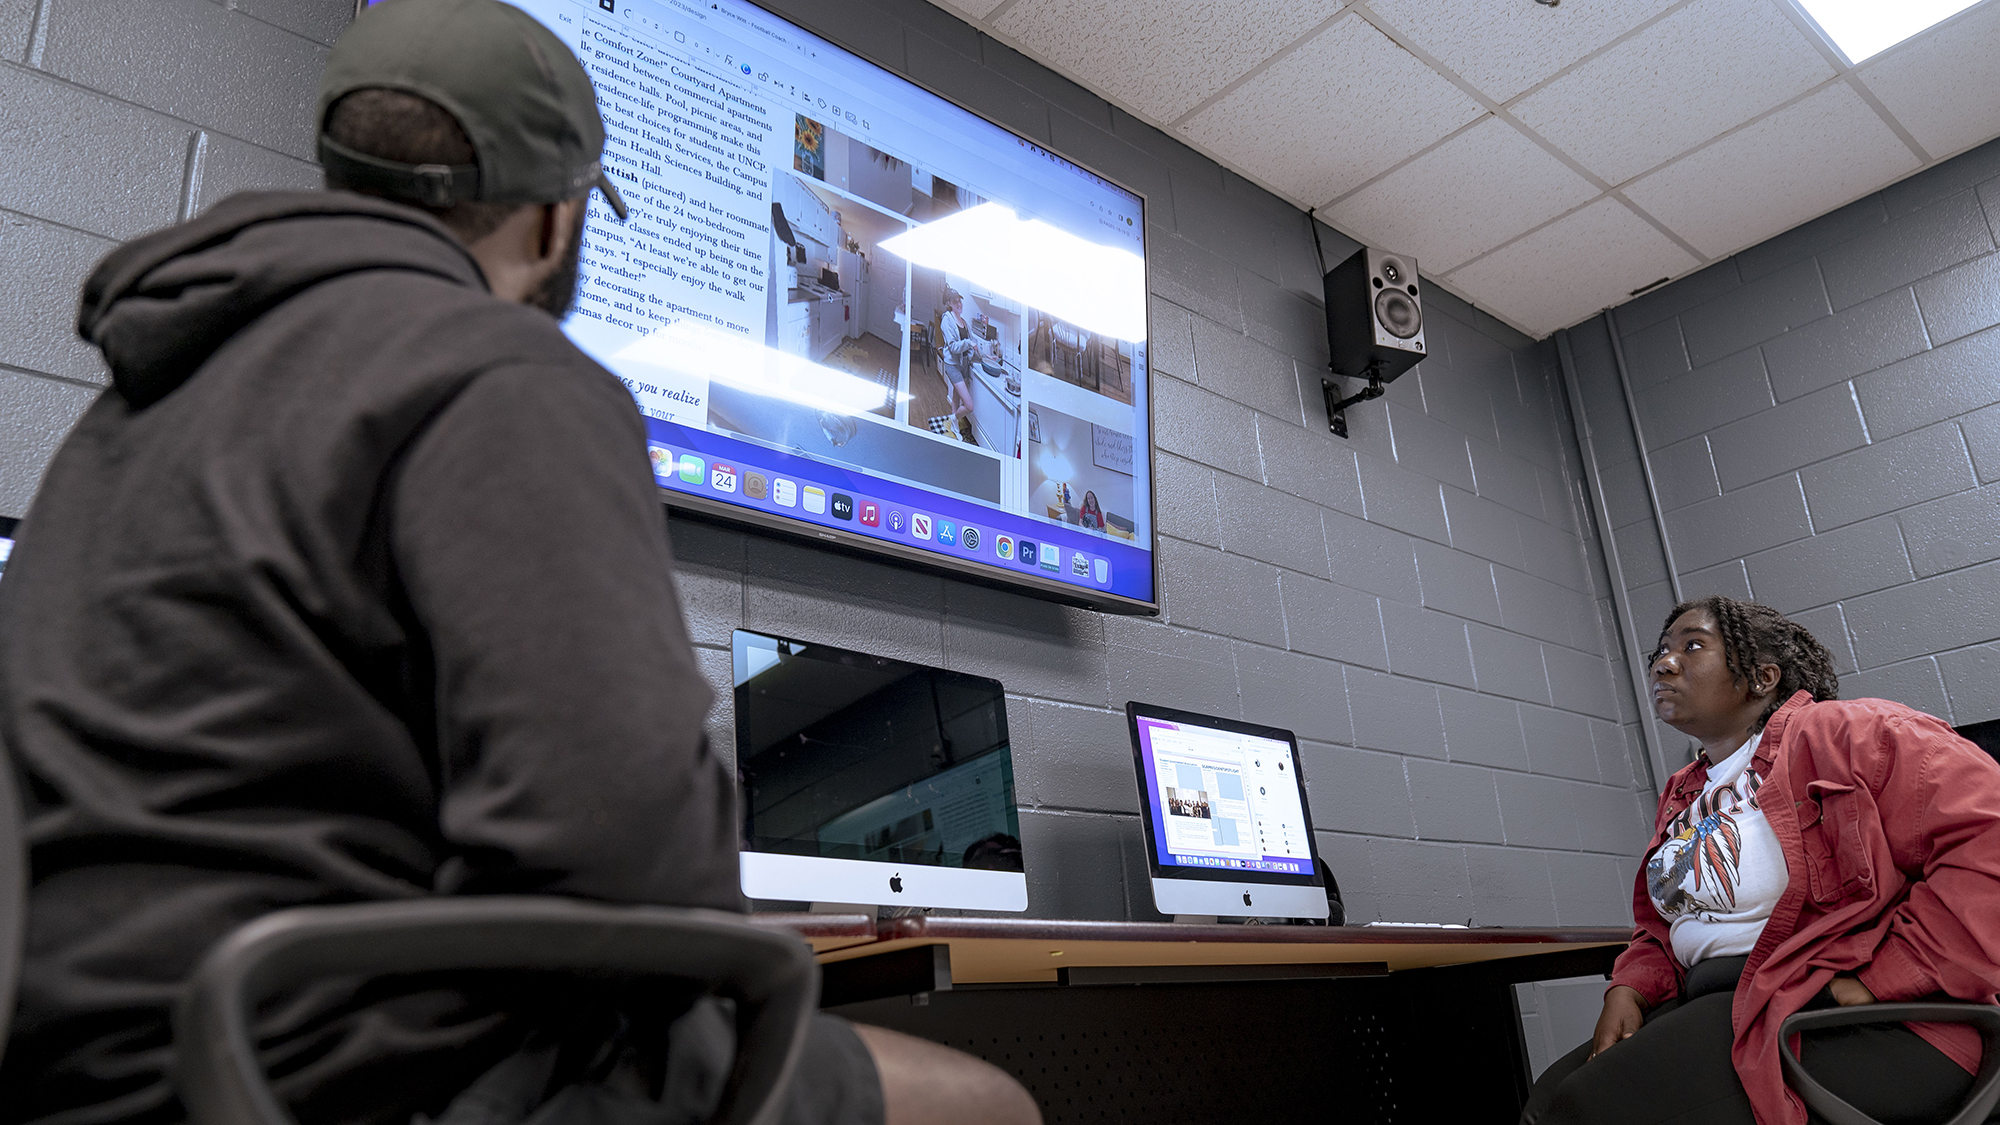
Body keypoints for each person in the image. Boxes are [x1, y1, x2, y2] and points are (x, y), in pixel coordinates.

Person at [0, 4, 1039, 1125]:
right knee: (984, 1102)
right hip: (332, 1062)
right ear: (555, 220)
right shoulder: (505, 374)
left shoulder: (135, 406)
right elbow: (628, 853)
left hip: (81, 1062)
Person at [1521, 595, 2000, 1125]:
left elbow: (1988, 839)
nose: (1664, 663)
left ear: (1762, 677)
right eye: (1660, 650)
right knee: (1544, 1102)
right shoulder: (1686, 792)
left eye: (1692, 646)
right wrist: (1631, 988)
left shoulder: (1849, 732)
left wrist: (1885, 977)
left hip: (1872, 1019)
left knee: (1590, 1109)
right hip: (1728, 998)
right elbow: (1663, 924)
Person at [931, 288, 979, 441]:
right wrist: (969, 343)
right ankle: (952, 419)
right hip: (953, 365)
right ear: (949, 304)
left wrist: (984, 356)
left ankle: (955, 426)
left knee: (956, 396)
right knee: (969, 406)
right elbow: (952, 347)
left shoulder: (963, 322)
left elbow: (970, 345)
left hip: (963, 364)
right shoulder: (947, 320)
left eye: (960, 300)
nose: (959, 304)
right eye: (955, 301)